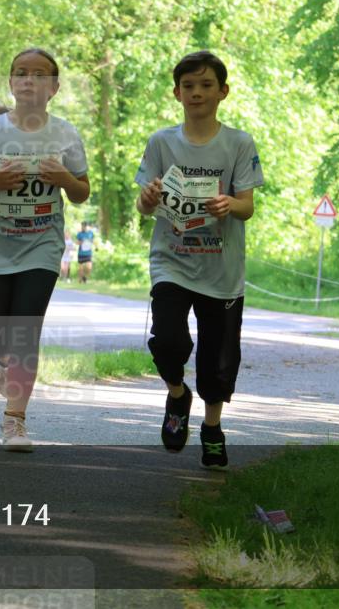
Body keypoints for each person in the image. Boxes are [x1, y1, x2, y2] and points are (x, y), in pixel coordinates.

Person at [135, 50, 264, 471]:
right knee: (168, 341)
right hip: (171, 262)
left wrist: (230, 203)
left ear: (223, 92)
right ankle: (177, 395)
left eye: (206, 85)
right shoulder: (161, 142)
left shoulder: (239, 144)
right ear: (177, 92)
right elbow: (144, 204)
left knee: (218, 358)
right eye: (188, 86)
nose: (197, 93)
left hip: (222, 270)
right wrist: (149, 198)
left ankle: (211, 427)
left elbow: (247, 206)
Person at [0, 47, 90, 452]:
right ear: (12, 82)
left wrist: (65, 177)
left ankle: (14, 420)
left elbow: (82, 192)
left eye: (38, 74)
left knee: (25, 330)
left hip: (42, 247)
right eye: (21, 72)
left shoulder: (66, 135)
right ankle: (2, 360)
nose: (29, 79)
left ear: (53, 87)